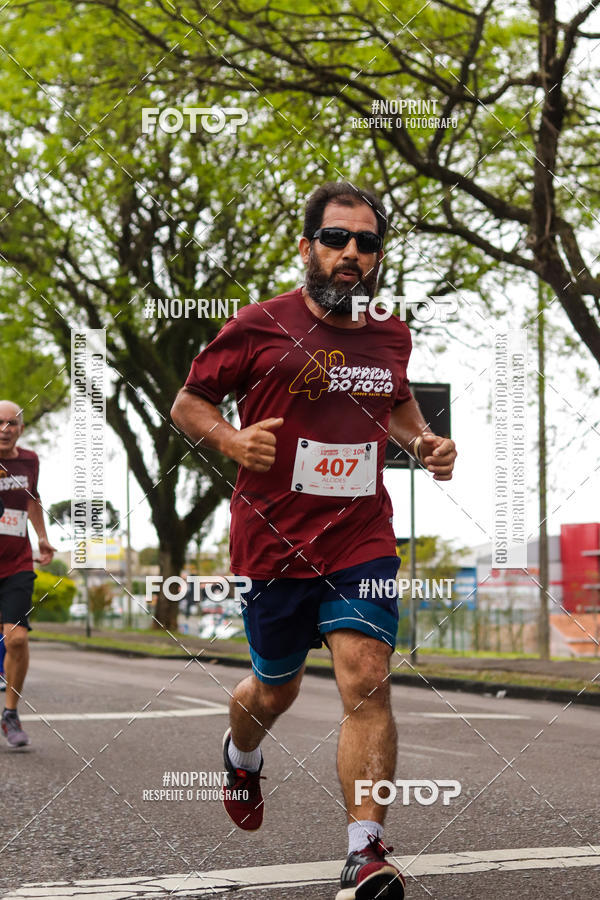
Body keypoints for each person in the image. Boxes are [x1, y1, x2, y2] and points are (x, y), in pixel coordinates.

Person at [171, 182, 457, 899]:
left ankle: (366, 852)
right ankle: (241, 754)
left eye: (367, 242)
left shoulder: (392, 331)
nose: (352, 253)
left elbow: (395, 404)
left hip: (361, 536)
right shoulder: (260, 324)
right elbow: (188, 402)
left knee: (366, 675)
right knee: (276, 689)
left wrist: (423, 441)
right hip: (272, 542)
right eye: (336, 238)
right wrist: (234, 441)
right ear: (308, 248)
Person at [0, 401, 55, 747]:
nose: (5, 429)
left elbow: (33, 499)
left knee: (16, 638)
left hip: (17, 562)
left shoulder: (29, 460)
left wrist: (43, 538)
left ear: (21, 429)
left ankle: (10, 714)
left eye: (12, 423)